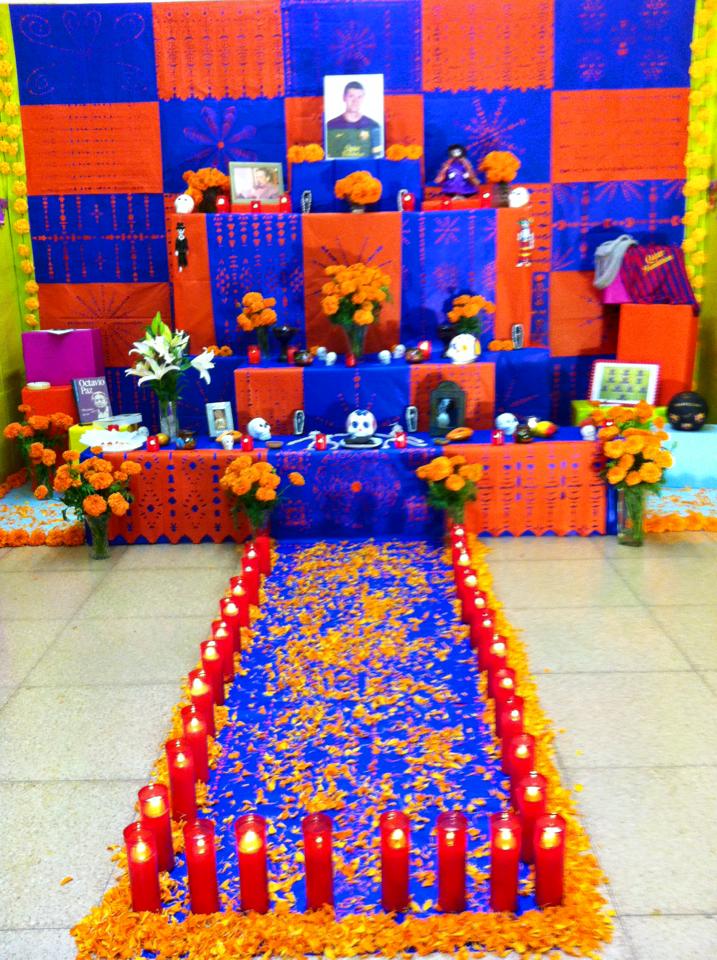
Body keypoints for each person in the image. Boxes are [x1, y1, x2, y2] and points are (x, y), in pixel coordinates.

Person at [326, 81, 382, 159]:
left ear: (363, 99)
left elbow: (378, 157)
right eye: (351, 96)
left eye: (359, 97)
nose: (355, 101)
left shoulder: (373, 126)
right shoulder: (331, 126)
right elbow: (329, 158)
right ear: (344, 97)